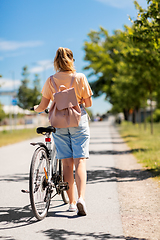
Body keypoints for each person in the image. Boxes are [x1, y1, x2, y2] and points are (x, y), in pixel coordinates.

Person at [34, 47, 93, 216]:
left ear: (56, 62)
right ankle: (82, 198)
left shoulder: (51, 80)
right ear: (72, 60)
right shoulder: (80, 77)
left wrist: (35, 108)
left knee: (67, 163)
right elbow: (88, 103)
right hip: (78, 121)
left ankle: (72, 203)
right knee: (80, 161)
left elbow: (43, 106)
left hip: (59, 124)